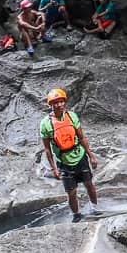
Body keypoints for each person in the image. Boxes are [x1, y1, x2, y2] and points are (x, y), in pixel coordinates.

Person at [40, 87, 99, 223]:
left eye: (61, 102)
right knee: (71, 192)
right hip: (63, 161)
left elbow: (82, 137)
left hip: (79, 156)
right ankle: (76, 214)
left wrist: (91, 156)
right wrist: (54, 169)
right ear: (50, 105)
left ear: (64, 102)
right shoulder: (45, 124)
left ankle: (94, 208)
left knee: (89, 184)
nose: (59, 105)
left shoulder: (72, 116)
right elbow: (47, 149)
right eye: (55, 102)